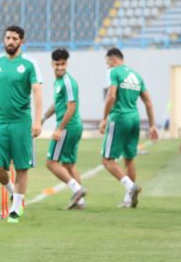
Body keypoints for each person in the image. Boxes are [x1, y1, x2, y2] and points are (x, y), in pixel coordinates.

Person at [0, 25, 43, 224]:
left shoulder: (29, 64)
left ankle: (16, 208)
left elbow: (37, 92)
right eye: (8, 37)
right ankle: (12, 191)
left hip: (21, 123)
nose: (10, 41)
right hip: (0, 123)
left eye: (15, 38)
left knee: (22, 166)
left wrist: (38, 120)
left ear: (22, 41)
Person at [99, 48, 158, 208]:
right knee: (129, 158)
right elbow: (148, 102)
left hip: (119, 118)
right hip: (135, 118)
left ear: (112, 59)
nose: (107, 66)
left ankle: (131, 187)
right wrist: (152, 124)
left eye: (107, 63)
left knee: (107, 160)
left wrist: (104, 118)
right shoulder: (137, 76)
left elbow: (111, 96)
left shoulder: (114, 72)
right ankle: (128, 199)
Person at [42, 48, 86, 209]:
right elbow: (58, 104)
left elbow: (71, 107)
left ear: (67, 64)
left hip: (68, 126)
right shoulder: (59, 82)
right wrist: (44, 118)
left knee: (51, 162)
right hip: (74, 126)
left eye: (63, 64)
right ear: (52, 64)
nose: (60, 67)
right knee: (68, 164)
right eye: (57, 64)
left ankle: (77, 189)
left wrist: (59, 129)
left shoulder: (67, 82)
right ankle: (80, 202)